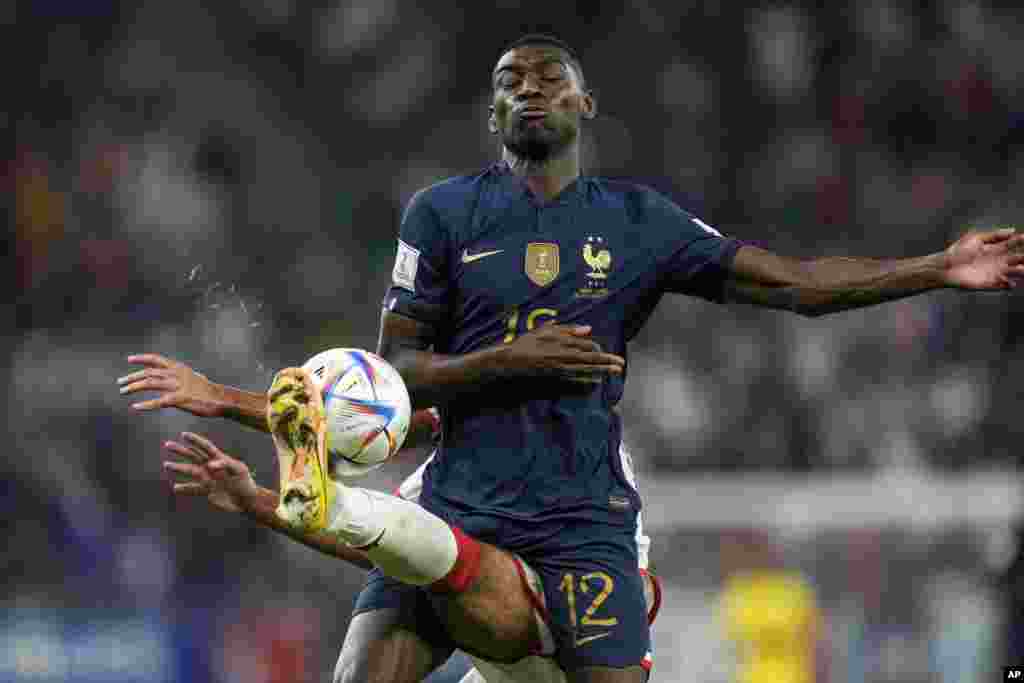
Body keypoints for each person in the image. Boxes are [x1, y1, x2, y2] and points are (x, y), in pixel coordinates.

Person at [122, 32, 1024, 683]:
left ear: (585, 105)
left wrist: (936, 267)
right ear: (492, 112)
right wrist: (513, 359)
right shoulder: (440, 216)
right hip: (462, 495)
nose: (529, 87)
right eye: (510, 79)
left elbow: (792, 283)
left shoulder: (639, 223)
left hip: (581, 521)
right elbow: (397, 376)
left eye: (550, 77)